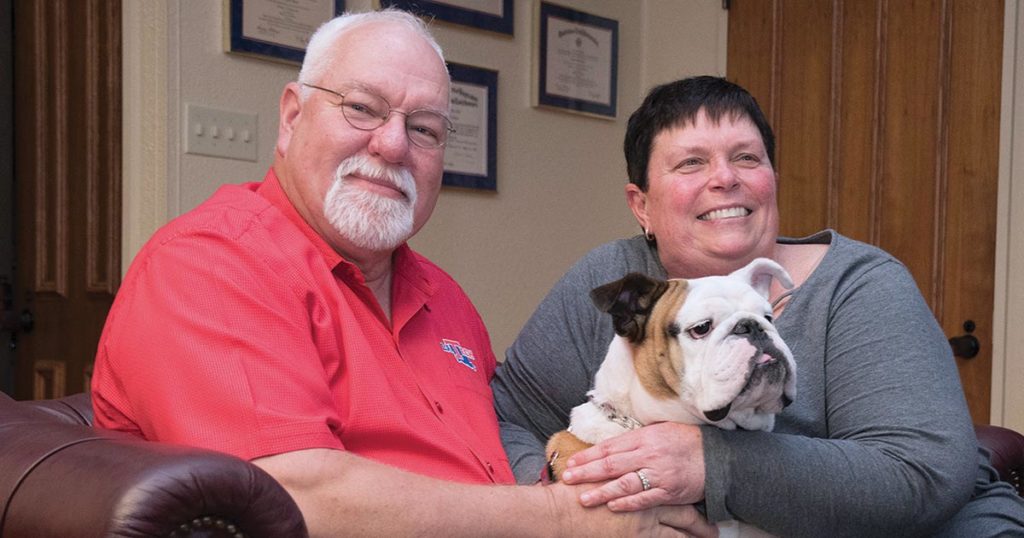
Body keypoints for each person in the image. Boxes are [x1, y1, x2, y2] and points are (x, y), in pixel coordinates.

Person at [91, 9, 719, 537]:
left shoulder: (442, 296)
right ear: (291, 117)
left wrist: (627, 495)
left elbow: (497, 451)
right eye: (362, 108)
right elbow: (290, 494)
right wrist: (564, 517)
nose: (392, 146)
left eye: (424, 129)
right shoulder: (211, 264)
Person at [493, 76, 1024, 537]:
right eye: (691, 162)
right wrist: (559, 498)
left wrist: (709, 463)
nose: (725, 178)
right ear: (641, 205)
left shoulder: (860, 285)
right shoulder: (613, 280)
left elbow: (923, 477)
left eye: (747, 157)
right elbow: (507, 416)